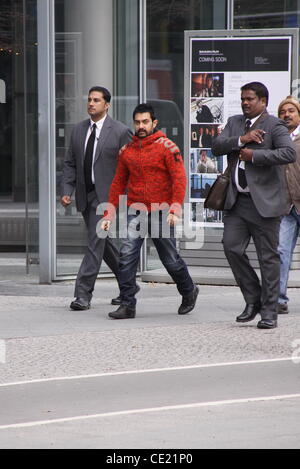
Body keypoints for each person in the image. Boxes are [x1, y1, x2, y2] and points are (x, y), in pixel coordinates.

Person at [101, 103, 198, 319]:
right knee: (126, 256)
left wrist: (175, 209)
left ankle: (189, 290)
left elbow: (179, 179)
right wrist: (109, 213)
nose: (141, 126)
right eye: (137, 122)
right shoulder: (127, 151)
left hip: (162, 211)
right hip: (136, 211)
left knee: (170, 259)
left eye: (145, 122)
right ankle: (128, 304)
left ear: (154, 123)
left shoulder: (168, 147)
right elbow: (118, 183)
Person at [212, 82, 296, 329]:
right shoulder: (235, 122)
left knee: (267, 258)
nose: (245, 103)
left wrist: (255, 155)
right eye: (243, 99)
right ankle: (254, 299)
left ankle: (269, 311)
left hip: (266, 204)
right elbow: (217, 146)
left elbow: (288, 154)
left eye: (250, 99)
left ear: (263, 101)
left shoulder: (274, 125)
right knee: (231, 248)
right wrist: (241, 140)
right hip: (236, 201)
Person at [61, 86, 132, 311]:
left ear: (107, 105)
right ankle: (128, 286)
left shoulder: (120, 131)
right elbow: (70, 162)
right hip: (85, 194)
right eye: (89, 100)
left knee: (94, 243)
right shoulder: (78, 130)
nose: (91, 103)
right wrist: (67, 190)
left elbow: (129, 166)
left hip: (107, 198)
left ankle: (82, 294)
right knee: (104, 243)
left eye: (97, 100)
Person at [277, 96, 300, 314]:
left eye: (291, 110)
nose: (287, 114)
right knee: (281, 251)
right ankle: (279, 299)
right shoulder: (277, 138)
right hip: (285, 206)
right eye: (283, 111)